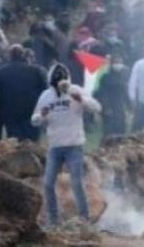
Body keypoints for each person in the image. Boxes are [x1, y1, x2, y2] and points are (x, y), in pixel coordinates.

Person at [31, 63, 101, 226]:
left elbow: (96, 107)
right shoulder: (46, 96)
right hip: (55, 146)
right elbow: (34, 120)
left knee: (77, 183)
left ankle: (84, 218)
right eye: (57, 84)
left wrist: (80, 99)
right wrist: (41, 115)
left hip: (74, 145)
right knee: (48, 183)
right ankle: (53, 220)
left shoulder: (75, 90)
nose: (60, 88)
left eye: (63, 83)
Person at [0, 45, 48, 141]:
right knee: (31, 143)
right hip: (31, 113)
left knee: (15, 143)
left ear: (10, 56)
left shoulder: (2, 73)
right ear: (23, 55)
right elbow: (44, 92)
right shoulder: (35, 71)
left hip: (10, 115)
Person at [93, 53, 131, 137]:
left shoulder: (122, 76)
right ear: (111, 64)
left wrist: (129, 105)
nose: (118, 65)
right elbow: (103, 94)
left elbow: (125, 92)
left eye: (120, 62)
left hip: (119, 106)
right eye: (116, 62)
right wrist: (106, 107)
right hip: (109, 106)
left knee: (121, 129)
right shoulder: (106, 77)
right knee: (109, 131)